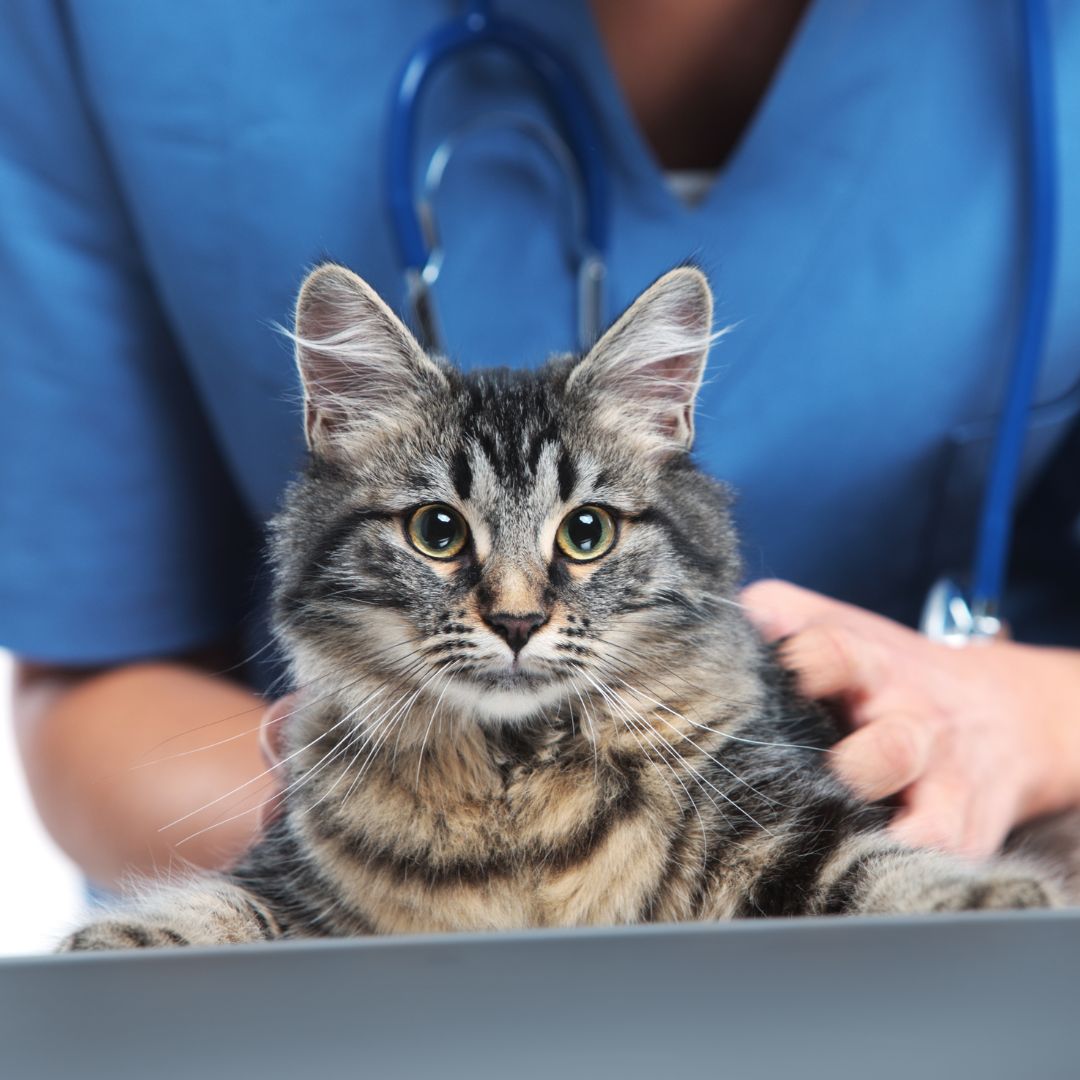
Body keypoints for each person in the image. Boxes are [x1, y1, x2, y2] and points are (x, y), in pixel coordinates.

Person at [2, 1, 1079, 890]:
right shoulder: (125, 31)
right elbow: (89, 672)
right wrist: (381, 856)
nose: (517, 604)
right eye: (436, 529)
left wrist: (1024, 718)